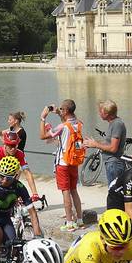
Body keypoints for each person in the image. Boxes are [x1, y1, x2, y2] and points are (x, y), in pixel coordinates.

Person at [41, 99, 85, 231]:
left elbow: (43, 136)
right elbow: (70, 119)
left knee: (65, 192)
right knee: (74, 190)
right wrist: (59, 113)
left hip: (62, 163)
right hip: (74, 161)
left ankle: (69, 222)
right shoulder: (79, 123)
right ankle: (80, 220)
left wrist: (43, 118)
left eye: (61, 109)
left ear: (65, 111)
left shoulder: (62, 127)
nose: (59, 110)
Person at [0, 129, 39, 199]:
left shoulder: (19, 153)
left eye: (15, 146)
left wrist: (34, 193)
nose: (13, 149)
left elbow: (27, 173)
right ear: (5, 144)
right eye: (10, 146)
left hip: (5, 177)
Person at [85, 100, 128, 187]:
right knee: (114, 193)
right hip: (111, 163)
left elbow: (113, 148)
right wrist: (92, 143)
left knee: (114, 193)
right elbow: (109, 143)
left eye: (100, 111)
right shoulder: (113, 123)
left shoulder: (117, 124)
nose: (99, 113)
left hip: (114, 164)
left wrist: (95, 145)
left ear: (106, 113)